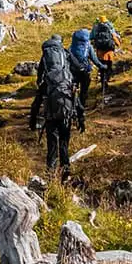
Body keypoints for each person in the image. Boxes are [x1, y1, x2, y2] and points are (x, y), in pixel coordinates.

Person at [30, 35, 82, 178]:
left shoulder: (47, 80)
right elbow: (77, 101)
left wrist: (32, 122)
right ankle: (66, 174)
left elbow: (35, 104)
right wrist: (80, 119)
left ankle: (50, 175)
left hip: (50, 115)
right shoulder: (65, 56)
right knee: (64, 144)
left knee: (52, 146)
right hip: (66, 113)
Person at [69, 27, 108, 109]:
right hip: (85, 71)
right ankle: (82, 106)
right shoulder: (88, 47)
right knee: (84, 90)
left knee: (72, 88)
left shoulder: (72, 46)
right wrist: (102, 66)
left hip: (73, 72)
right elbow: (94, 60)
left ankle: (71, 105)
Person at [89, 17, 120, 97]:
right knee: (109, 67)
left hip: (100, 53)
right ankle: (107, 80)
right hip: (109, 53)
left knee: (102, 69)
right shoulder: (109, 29)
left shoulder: (96, 30)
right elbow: (116, 40)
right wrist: (118, 44)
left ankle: (103, 84)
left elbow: (91, 37)